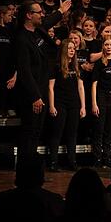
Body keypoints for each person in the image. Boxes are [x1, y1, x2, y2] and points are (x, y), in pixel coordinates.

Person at [15, 0, 71, 160]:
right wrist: (35, 97)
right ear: (28, 15)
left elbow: (47, 21)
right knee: (29, 131)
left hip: (41, 89)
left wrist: (60, 11)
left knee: (37, 131)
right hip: (31, 96)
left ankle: (32, 166)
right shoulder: (21, 39)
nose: (42, 14)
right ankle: (25, 167)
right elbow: (24, 71)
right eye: (38, 12)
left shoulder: (38, 30)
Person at [47, 39, 86, 171]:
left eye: (73, 48)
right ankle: (53, 162)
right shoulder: (56, 66)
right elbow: (50, 87)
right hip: (60, 103)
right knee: (57, 133)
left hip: (74, 103)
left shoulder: (77, 67)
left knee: (72, 133)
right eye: (69, 48)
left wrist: (83, 106)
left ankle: (72, 161)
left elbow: (81, 87)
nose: (72, 50)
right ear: (64, 50)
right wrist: (51, 105)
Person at [91, 38, 111, 168]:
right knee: (99, 128)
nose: (109, 47)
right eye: (106, 45)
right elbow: (94, 84)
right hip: (101, 97)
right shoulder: (99, 63)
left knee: (109, 130)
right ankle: (97, 158)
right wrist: (94, 103)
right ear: (103, 47)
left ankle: (107, 157)